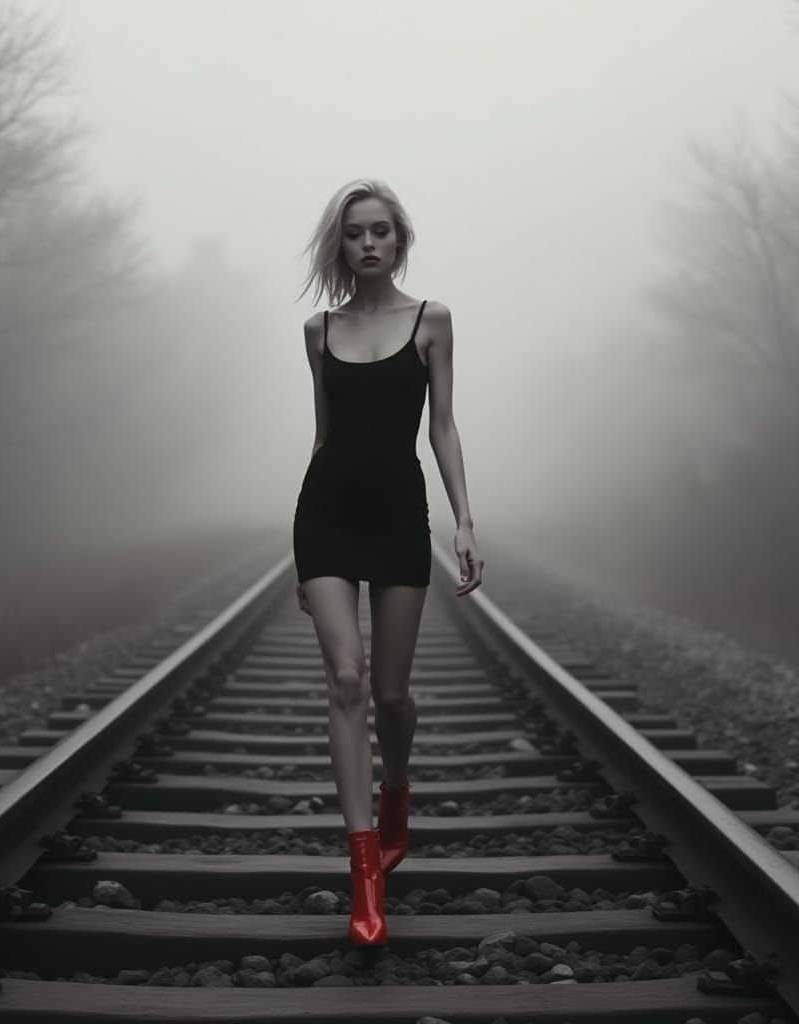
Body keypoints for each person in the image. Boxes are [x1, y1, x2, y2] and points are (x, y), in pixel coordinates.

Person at [291, 179, 483, 947]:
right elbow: (323, 436)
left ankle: (397, 786)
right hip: (328, 515)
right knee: (347, 680)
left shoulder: (430, 321)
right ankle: (365, 875)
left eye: (381, 232)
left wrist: (465, 518)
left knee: (393, 693)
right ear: (340, 246)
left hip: (401, 515)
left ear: (399, 241)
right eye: (354, 234)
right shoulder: (317, 331)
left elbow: (441, 428)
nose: (368, 244)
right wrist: (299, 550)